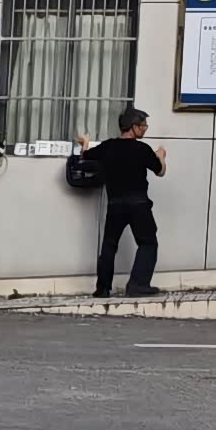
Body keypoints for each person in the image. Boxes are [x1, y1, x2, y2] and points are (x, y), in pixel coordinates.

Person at [73, 105, 164, 296]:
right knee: (148, 243)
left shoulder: (108, 146)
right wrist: (161, 156)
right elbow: (160, 171)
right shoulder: (142, 149)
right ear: (133, 127)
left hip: (115, 205)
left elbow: (85, 156)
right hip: (139, 205)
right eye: (143, 126)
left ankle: (102, 289)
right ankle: (138, 285)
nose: (145, 129)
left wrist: (85, 142)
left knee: (109, 245)